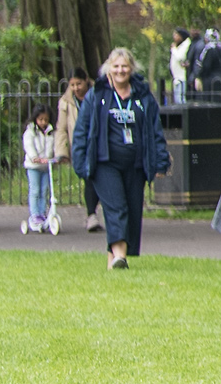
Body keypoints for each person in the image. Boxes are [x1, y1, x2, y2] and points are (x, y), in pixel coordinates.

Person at [72, 48, 167, 266]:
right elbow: (82, 129)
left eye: (124, 66)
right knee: (116, 207)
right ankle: (120, 257)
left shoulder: (143, 96)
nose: (120, 70)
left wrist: (160, 161)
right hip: (105, 163)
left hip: (135, 164)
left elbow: (155, 130)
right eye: (116, 66)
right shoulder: (97, 94)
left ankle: (112, 259)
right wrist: (79, 161)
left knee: (132, 211)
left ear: (132, 68)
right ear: (108, 69)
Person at [54, 72, 94, 235]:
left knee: (97, 177)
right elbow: (61, 128)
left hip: (98, 143)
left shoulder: (98, 95)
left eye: (79, 84)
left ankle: (95, 214)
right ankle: (91, 214)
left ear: (86, 81)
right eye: (72, 85)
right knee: (88, 176)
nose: (76, 88)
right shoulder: (66, 102)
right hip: (79, 145)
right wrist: (62, 152)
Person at [21, 106, 63, 234]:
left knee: (45, 189)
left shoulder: (51, 132)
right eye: (41, 119)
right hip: (34, 166)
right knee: (35, 190)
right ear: (35, 119)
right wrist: (35, 157)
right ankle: (35, 214)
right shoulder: (30, 131)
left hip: (46, 166)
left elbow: (56, 145)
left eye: (46, 120)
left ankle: (42, 213)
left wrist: (57, 157)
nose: (43, 122)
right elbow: (28, 145)